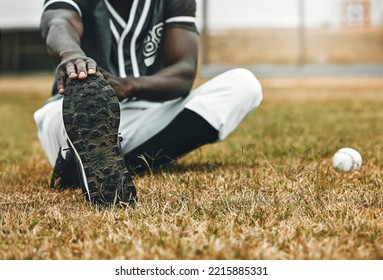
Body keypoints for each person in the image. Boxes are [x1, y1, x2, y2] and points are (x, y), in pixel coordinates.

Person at [34, 0, 263, 207]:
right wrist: (72, 55)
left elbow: (183, 73)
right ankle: (84, 153)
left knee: (244, 84)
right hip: (71, 117)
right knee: (81, 121)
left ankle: (87, 164)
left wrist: (128, 86)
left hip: (146, 115)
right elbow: (58, 21)